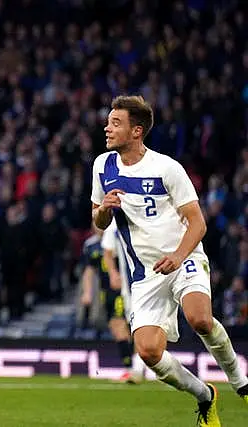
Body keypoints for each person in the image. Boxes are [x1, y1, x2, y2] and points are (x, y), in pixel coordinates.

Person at [91, 95, 248, 427]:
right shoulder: (102, 166)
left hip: (183, 255)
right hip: (145, 274)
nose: (107, 127)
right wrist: (103, 209)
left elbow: (198, 222)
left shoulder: (166, 168)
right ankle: (205, 395)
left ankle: (239, 380)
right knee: (148, 351)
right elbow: (98, 222)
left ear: (137, 131)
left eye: (115, 123)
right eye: (108, 121)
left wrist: (178, 256)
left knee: (200, 319)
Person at [100, 222, 145, 383]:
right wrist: (112, 272)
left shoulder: (151, 211)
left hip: (155, 280)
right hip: (130, 287)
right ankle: (138, 368)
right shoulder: (115, 223)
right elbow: (107, 250)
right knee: (137, 327)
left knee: (146, 325)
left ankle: (139, 368)